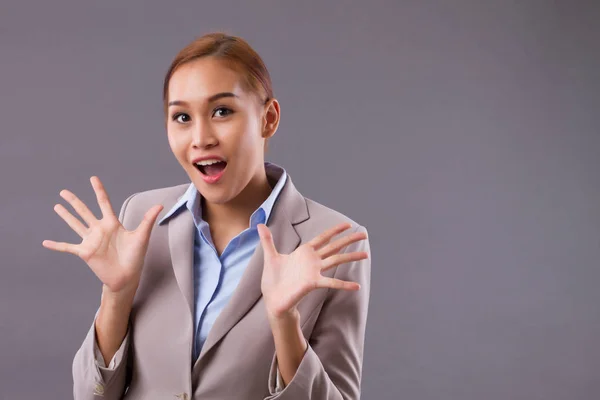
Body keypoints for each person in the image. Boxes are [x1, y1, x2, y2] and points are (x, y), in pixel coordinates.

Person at [42, 32, 371, 400]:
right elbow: (92, 395)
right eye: (182, 117)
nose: (201, 138)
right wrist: (116, 295)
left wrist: (285, 323)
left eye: (222, 112)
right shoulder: (141, 219)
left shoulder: (333, 242)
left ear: (268, 118)